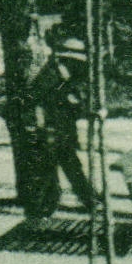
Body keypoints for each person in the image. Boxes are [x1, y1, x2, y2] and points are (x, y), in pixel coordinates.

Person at [31, 36, 95, 217]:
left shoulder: (66, 78)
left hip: (64, 132)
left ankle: (89, 200)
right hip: (51, 132)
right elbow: (36, 101)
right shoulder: (51, 75)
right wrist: (42, 127)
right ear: (67, 59)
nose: (80, 67)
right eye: (76, 62)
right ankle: (44, 208)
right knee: (50, 171)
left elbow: (74, 106)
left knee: (70, 167)